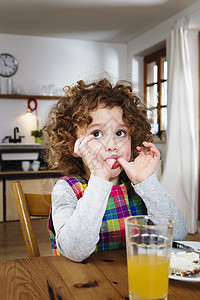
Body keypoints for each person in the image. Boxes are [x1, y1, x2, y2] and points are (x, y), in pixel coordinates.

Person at [43, 77, 188, 262]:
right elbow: (75, 251)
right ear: (74, 145)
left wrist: (147, 182)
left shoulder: (139, 186)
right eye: (96, 134)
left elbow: (179, 235)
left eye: (120, 133)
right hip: (81, 285)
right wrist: (100, 179)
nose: (112, 145)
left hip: (134, 279)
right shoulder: (65, 189)